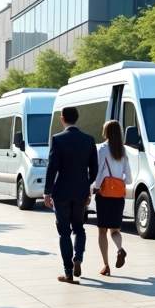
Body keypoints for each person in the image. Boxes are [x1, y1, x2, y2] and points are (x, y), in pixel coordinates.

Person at [44, 106, 97, 284]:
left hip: (62, 193)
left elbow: (52, 167)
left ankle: (68, 271)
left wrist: (47, 191)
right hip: (80, 192)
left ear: (62, 119)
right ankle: (78, 257)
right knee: (79, 229)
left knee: (64, 232)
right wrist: (87, 185)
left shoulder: (57, 139)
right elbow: (95, 169)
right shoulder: (89, 140)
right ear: (77, 118)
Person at [93, 120, 132, 276]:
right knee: (115, 230)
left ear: (106, 132)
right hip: (118, 196)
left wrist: (95, 187)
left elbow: (99, 170)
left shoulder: (102, 149)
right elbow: (128, 178)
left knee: (102, 231)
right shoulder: (122, 151)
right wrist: (119, 181)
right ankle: (120, 249)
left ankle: (106, 265)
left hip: (104, 194)